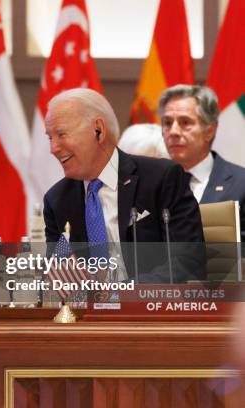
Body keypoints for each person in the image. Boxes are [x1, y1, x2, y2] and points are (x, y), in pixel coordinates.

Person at [43, 88, 205, 283]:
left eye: (61, 134)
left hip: (151, 308)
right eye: (50, 138)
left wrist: (123, 293)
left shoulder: (161, 178)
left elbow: (187, 261)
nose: (53, 149)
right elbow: (54, 270)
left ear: (99, 130)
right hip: (89, 310)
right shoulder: (57, 200)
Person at [160, 84, 245, 242]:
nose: (173, 131)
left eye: (185, 122)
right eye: (167, 122)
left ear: (209, 131)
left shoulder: (241, 184)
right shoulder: (149, 183)